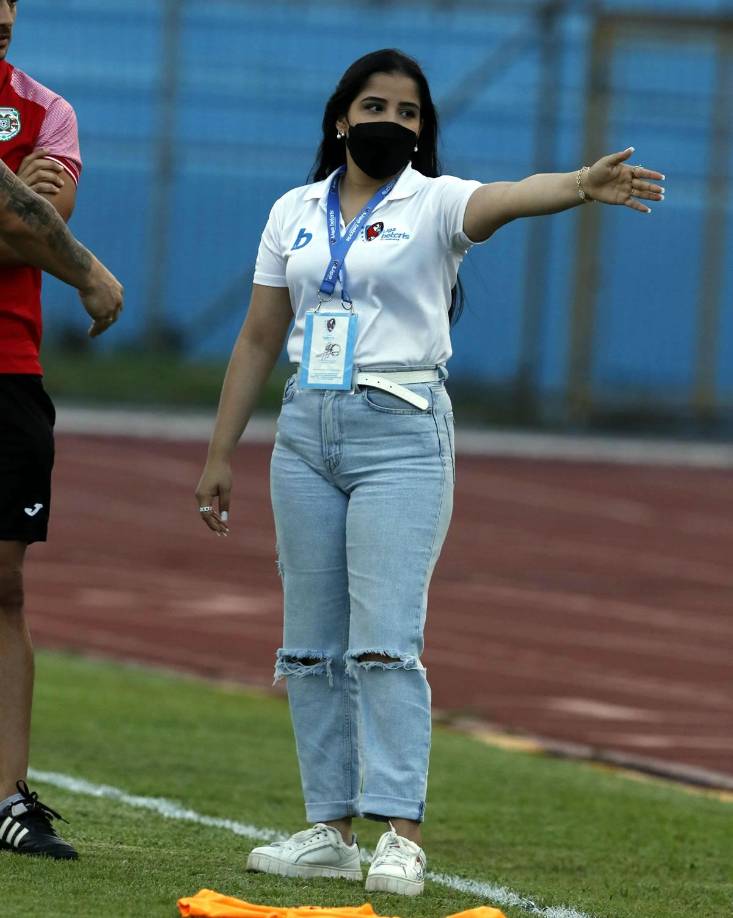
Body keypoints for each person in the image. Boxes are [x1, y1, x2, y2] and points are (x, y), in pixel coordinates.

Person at [195, 48, 663, 896]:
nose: (391, 123)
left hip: (401, 429)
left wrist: (579, 183)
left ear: (422, 132)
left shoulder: (435, 202)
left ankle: (400, 834)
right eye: (375, 107)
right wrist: (221, 452)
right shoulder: (292, 211)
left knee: (384, 641)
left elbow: (510, 197)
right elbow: (260, 336)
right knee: (308, 647)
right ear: (340, 118)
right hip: (305, 431)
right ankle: (328, 830)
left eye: (408, 114)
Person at [0, 0, 123, 861]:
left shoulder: (48, 110)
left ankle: (6, 797)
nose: (1, 19)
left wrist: (39, 232)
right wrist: (82, 268)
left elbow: (36, 224)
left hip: (9, 369)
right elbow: (23, 222)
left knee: (3, 589)